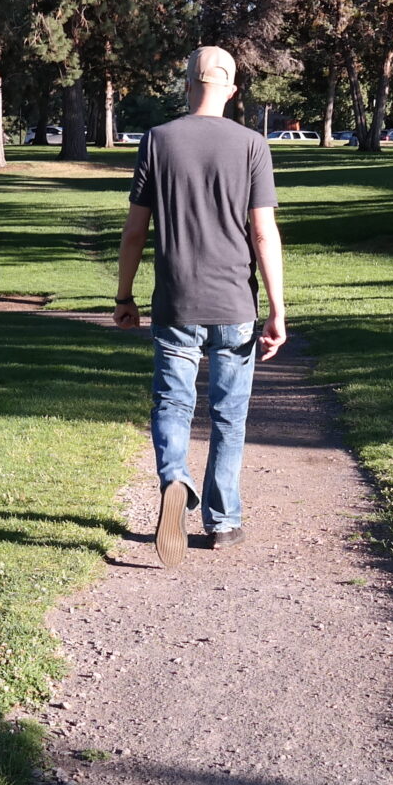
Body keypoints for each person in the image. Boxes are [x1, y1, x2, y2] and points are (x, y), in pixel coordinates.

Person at [113, 46, 289, 567]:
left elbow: (135, 231)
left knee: (172, 406)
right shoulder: (253, 144)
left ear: (187, 83)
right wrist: (277, 309)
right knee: (229, 416)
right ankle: (224, 521)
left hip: (176, 303)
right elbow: (263, 232)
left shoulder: (158, 140)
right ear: (232, 90)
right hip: (235, 303)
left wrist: (124, 296)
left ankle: (175, 480)